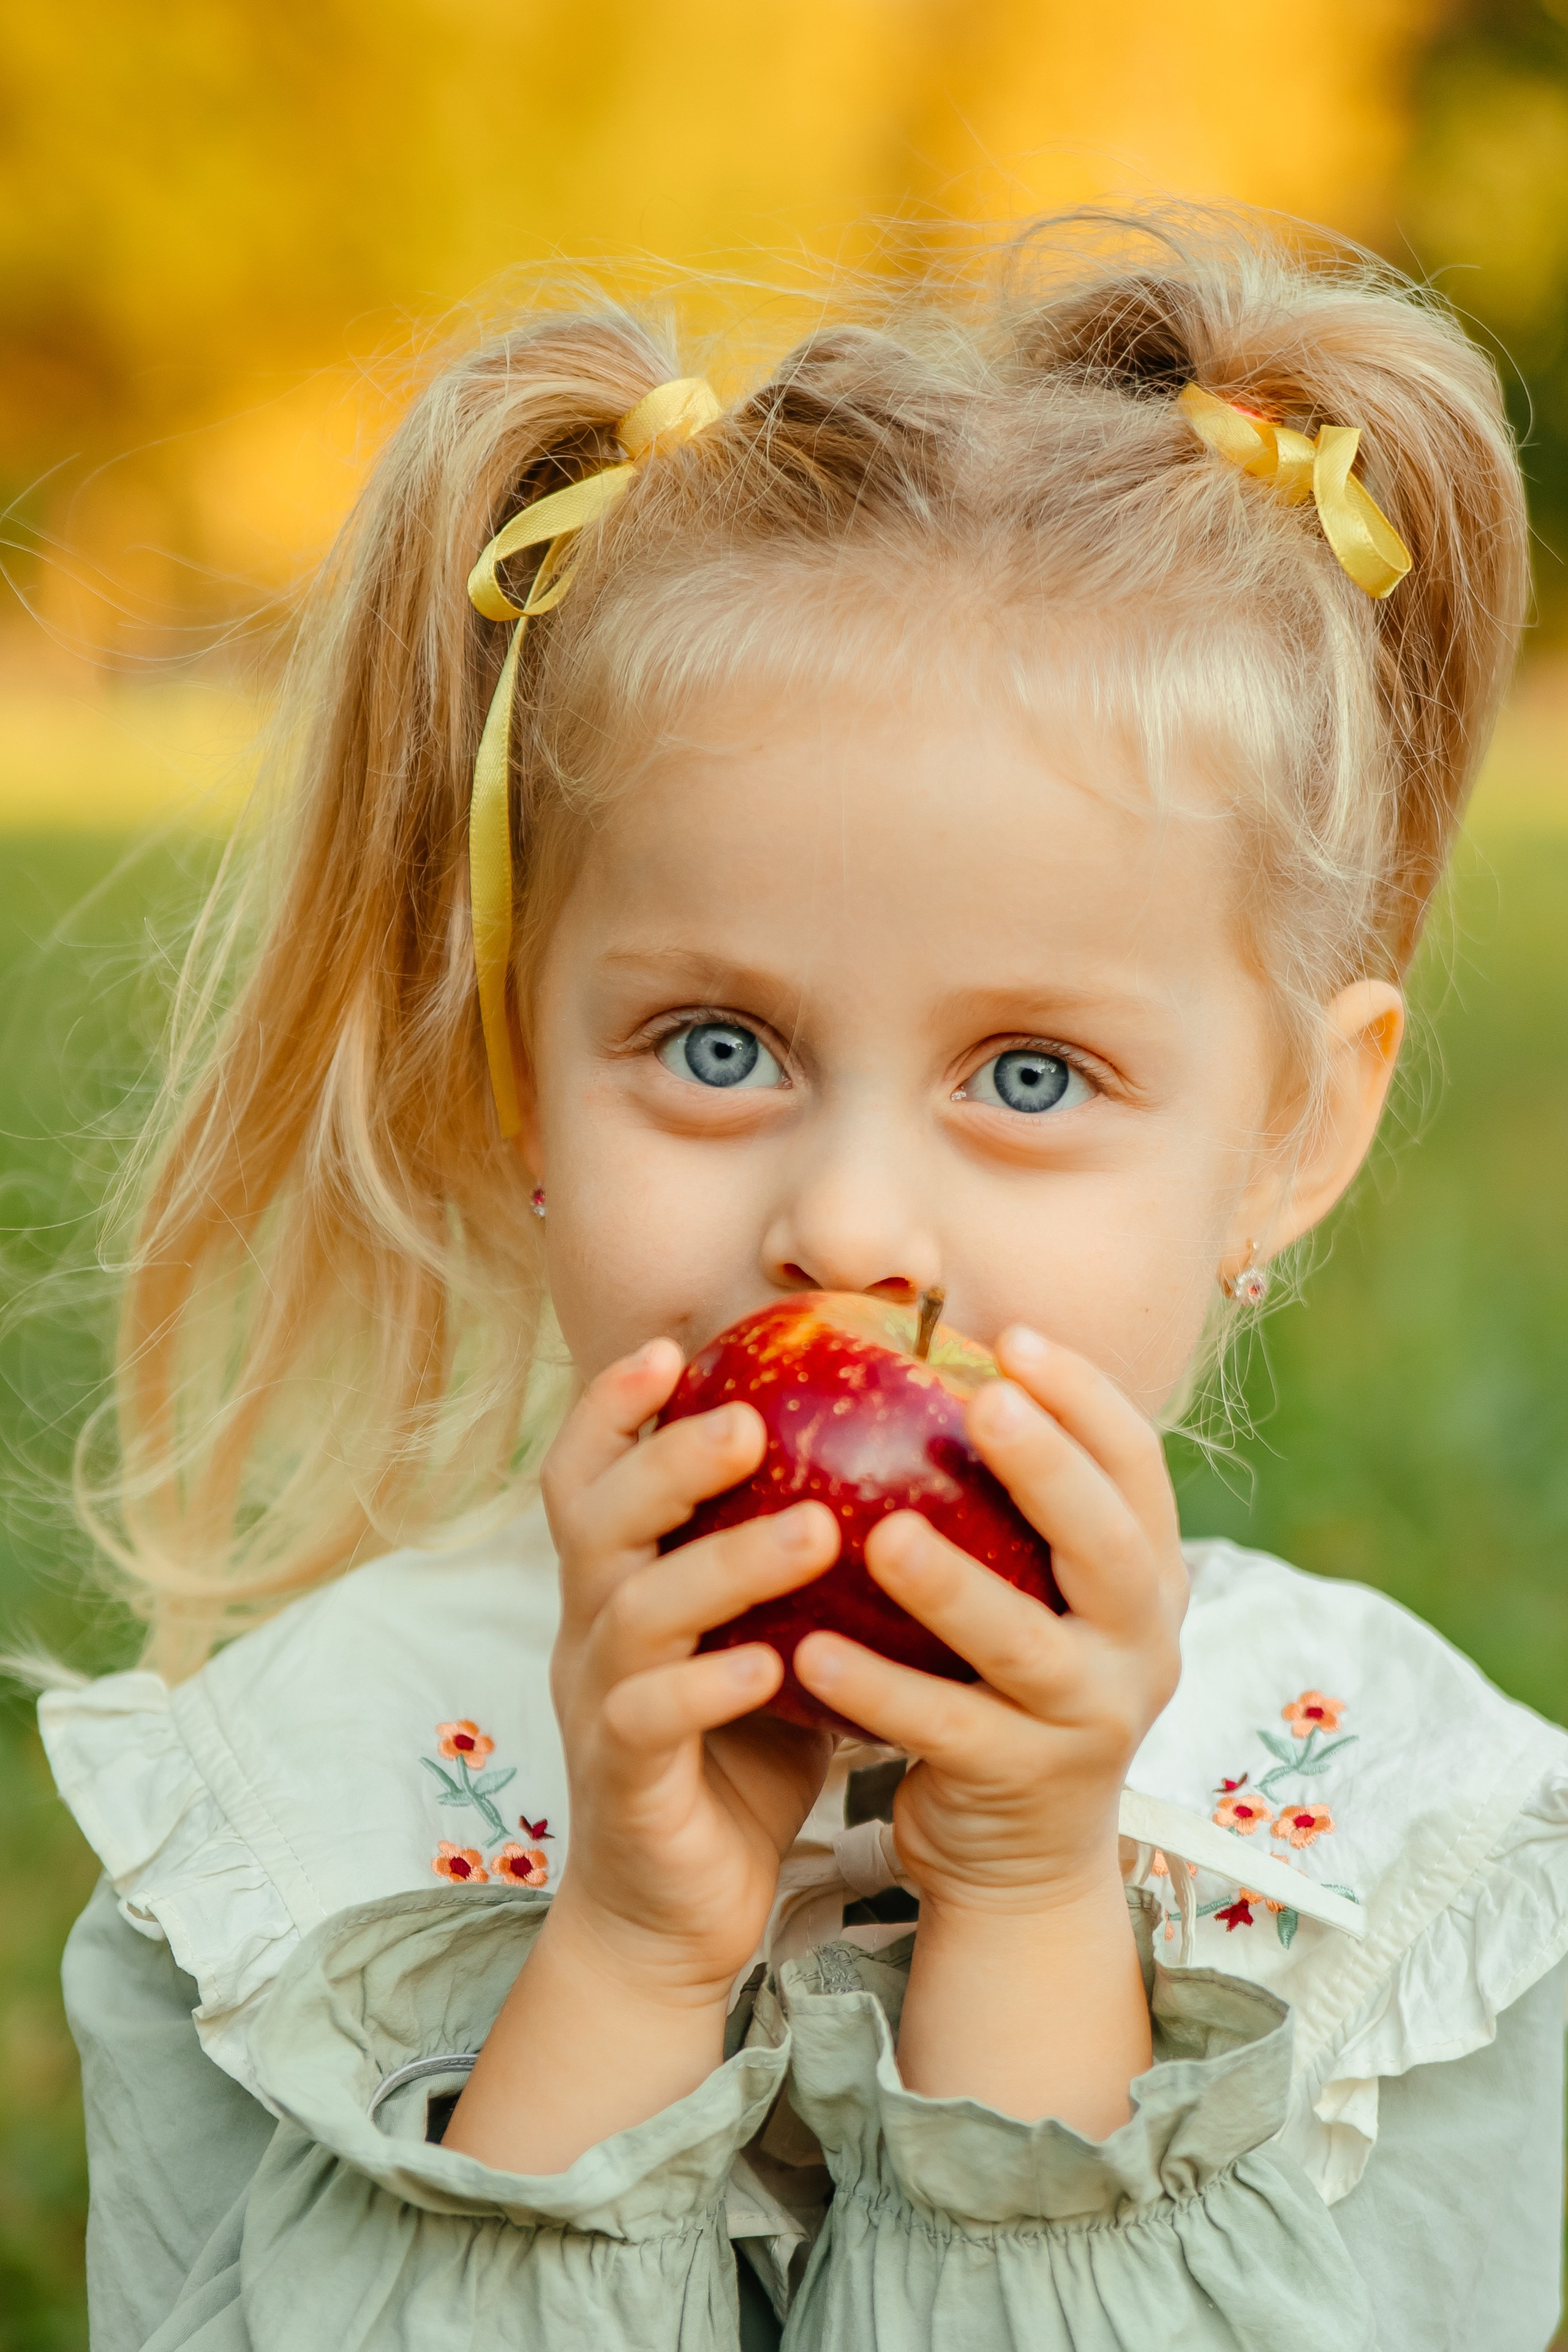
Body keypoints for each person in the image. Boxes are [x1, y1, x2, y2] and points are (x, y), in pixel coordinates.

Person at [38, 209, 1568, 2350]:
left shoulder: (1404, 1866)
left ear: (1294, 1133)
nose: (845, 1226)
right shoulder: (284, 1831)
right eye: (717, 1048)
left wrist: (1030, 1904)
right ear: (522, 1073)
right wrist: (630, 1955)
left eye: (1029, 1075)